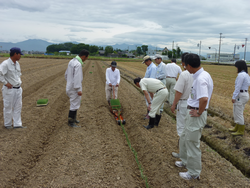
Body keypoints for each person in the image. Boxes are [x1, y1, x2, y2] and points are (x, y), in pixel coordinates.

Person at [175, 53, 213, 180]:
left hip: (195, 114)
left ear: (189, 66)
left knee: (192, 143)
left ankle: (193, 172)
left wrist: (199, 112)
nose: (185, 68)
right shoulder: (202, 75)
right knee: (186, 138)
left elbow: (204, 99)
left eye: (185, 66)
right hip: (192, 112)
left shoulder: (201, 79)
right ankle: (185, 161)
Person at [0, 47, 25, 129]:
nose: (20, 56)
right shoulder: (5, 64)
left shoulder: (17, 64)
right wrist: (5, 83)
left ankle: (17, 124)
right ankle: (8, 124)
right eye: (19, 54)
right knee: (8, 107)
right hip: (9, 90)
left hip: (18, 89)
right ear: (15, 54)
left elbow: (18, 75)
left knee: (18, 107)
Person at [171, 53, 193, 141]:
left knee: (182, 127)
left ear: (184, 63)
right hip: (195, 104)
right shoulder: (201, 74)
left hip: (184, 103)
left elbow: (179, 92)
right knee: (190, 127)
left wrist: (173, 105)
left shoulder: (184, 74)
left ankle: (182, 150)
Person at [65, 49, 89, 128]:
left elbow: (66, 74)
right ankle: (71, 122)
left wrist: (69, 81)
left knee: (74, 103)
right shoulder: (78, 64)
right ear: (83, 56)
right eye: (86, 58)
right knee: (74, 104)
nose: (85, 60)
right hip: (74, 88)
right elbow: (77, 78)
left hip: (69, 86)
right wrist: (78, 89)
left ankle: (74, 119)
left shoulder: (71, 61)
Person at [229, 60, 250, 136]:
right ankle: (237, 127)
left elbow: (238, 87)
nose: (236, 68)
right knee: (238, 111)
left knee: (238, 113)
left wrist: (234, 96)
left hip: (240, 95)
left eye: (237, 67)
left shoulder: (241, 75)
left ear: (239, 67)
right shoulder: (247, 75)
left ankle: (240, 131)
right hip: (245, 94)